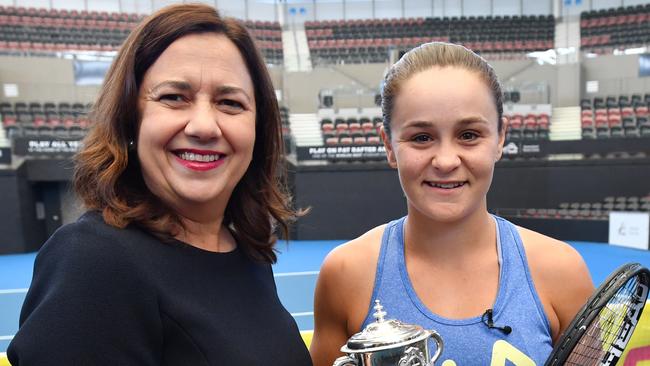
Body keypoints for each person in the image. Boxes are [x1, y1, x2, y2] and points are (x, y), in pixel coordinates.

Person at [8, 4, 312, 365]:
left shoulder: (247, 255)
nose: (204, 126)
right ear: (129, 117)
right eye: (173, 97)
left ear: (257, 130)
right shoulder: (94, 263)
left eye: (230, 103)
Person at [310, 42, 594, 366]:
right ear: (389, 145)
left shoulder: (562, 273)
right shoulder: (345, 275)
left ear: (500, 137)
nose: (445, 160)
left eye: (469, 134)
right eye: (421, 137)